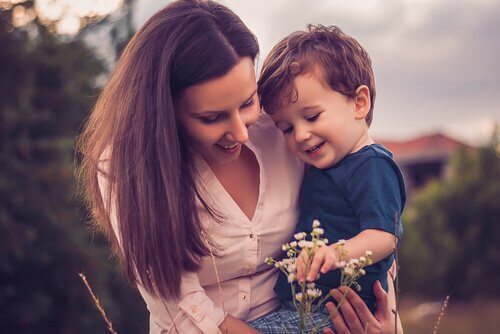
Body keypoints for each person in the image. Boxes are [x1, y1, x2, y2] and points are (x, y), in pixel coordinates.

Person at [76, 1, 402, 333]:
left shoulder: (286, 125)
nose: (242, 132)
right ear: (165, 112)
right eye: (212, 117)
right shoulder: (125, 169)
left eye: (248, 102)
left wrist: (386, 325)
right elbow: (179, 304)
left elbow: (366, 226)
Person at [254, 24, 406, 327]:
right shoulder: (327, 163)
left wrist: (336, 253)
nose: (300, 135)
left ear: (359, 103)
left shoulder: (372, 166)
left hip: (339, 312)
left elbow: (384, 237)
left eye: (312, 117)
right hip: (306, 305)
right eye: (286, 128)